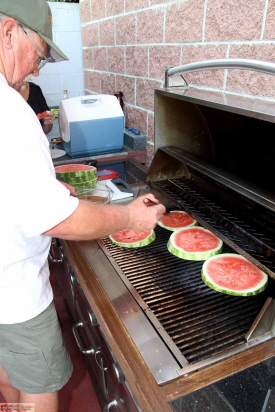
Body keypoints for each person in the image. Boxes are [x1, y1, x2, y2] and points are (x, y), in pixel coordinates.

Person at [0, 1, 166, 412]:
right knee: (40, 380)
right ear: (8, 32)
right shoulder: (10, 112)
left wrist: (43, 184)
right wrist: (130, 216)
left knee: (8, 365)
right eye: (39, 54)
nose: (38, 70)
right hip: (14, 291)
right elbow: (57, 219)